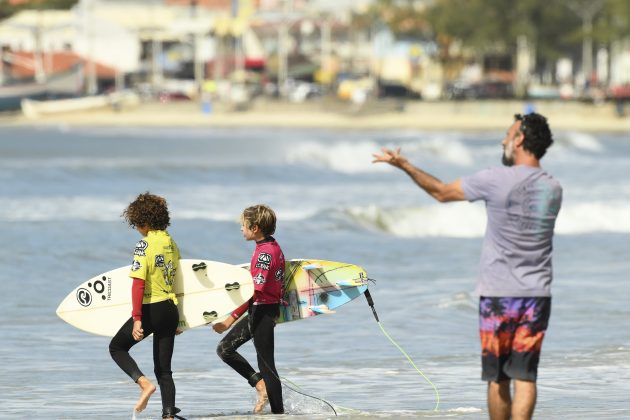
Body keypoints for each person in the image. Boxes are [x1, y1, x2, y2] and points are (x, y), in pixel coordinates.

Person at [373, 113, 562, 420]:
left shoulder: (494, 178)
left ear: (520, 140)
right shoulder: (553, 188)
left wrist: (404, 165)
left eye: (508, 134)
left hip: (498, 295)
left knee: (498, 377)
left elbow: (441, 192)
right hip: (537, 295)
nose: (503, 140)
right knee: (526, 377)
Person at [109, 192, 182, 420]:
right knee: (164, 369)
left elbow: (138, 284)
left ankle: (143, 384)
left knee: (117, 348)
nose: (137, 228)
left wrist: (137, 317)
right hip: (170, 309)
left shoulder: (144, 245)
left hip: (152, 308)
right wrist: (180, 318)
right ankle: (168, 415)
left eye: (137, 224)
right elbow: (178, 280)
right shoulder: (171, 242)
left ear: (145, 222)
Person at [213, 204, 285, 414]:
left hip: (262, 311)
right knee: (226, 350)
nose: (241, 229)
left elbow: (254, 291)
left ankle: (278, 413)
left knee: (266, 365)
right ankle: (261, 388)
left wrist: (230, 319)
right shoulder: (272, 246)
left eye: (243, 225)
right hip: (265, 309)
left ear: (255, 228)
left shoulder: (265, 254)